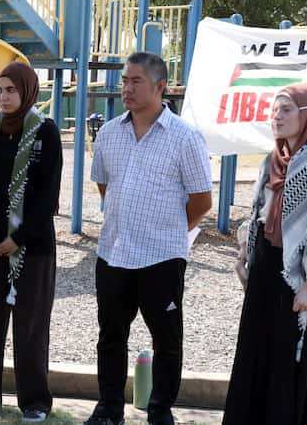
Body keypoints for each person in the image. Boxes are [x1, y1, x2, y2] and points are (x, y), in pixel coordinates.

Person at [84, 52, 213, 425]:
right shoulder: (109, 133)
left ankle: (159, 411)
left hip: (162, 257)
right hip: (113, 253)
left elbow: (202, 201)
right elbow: (105, 186)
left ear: (160, 87)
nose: (126, 88)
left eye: (135, 81)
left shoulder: (185, 137)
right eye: (124, 80)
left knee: (166, 340)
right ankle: (109, 408)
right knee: (110, 336)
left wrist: (168, 230)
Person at [223, 83, 307, 425]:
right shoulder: (274, 158)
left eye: (287, 109)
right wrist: (244, 257)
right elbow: (259, 212)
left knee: (287, 361)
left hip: (299, 276)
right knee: (256, 354)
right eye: (275, 109)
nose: (276, 116)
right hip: (266, 270)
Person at [0, 62, 62, 423]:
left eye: (11, 90)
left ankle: (35, 402)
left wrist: (16, 239)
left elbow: (46, 196)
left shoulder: (45, 133)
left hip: (32, 249)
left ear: (27, 91)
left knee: (31, 326)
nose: (4, 97)